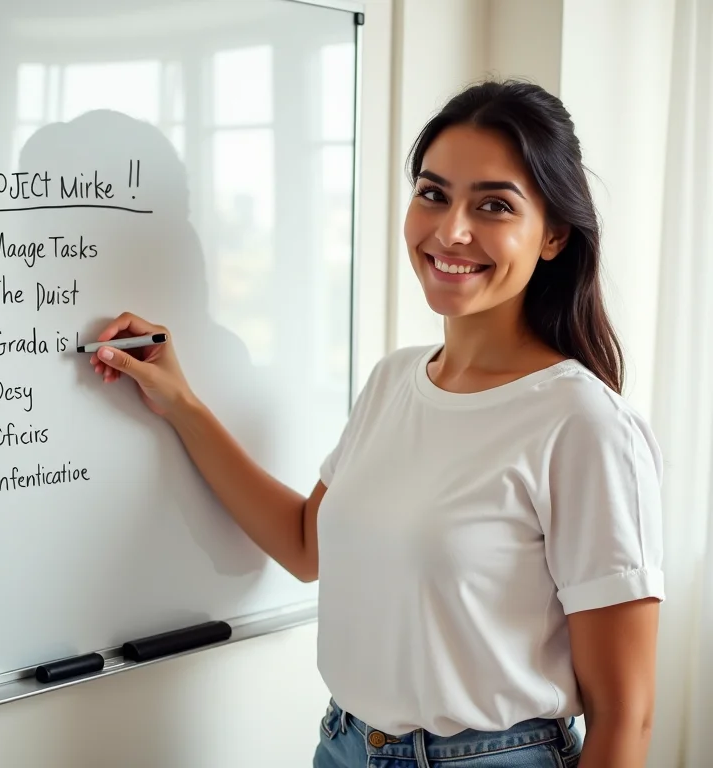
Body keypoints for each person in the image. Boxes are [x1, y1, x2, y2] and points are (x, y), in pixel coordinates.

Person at [88, 80, 664, 768]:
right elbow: (307, 545)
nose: (451, 230)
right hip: (345, 747)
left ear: (554, 236)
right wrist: (182, 404)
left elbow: (626, 715)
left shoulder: (582, 423)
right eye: (432, 193)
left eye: (494, 205)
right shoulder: (395, 380)